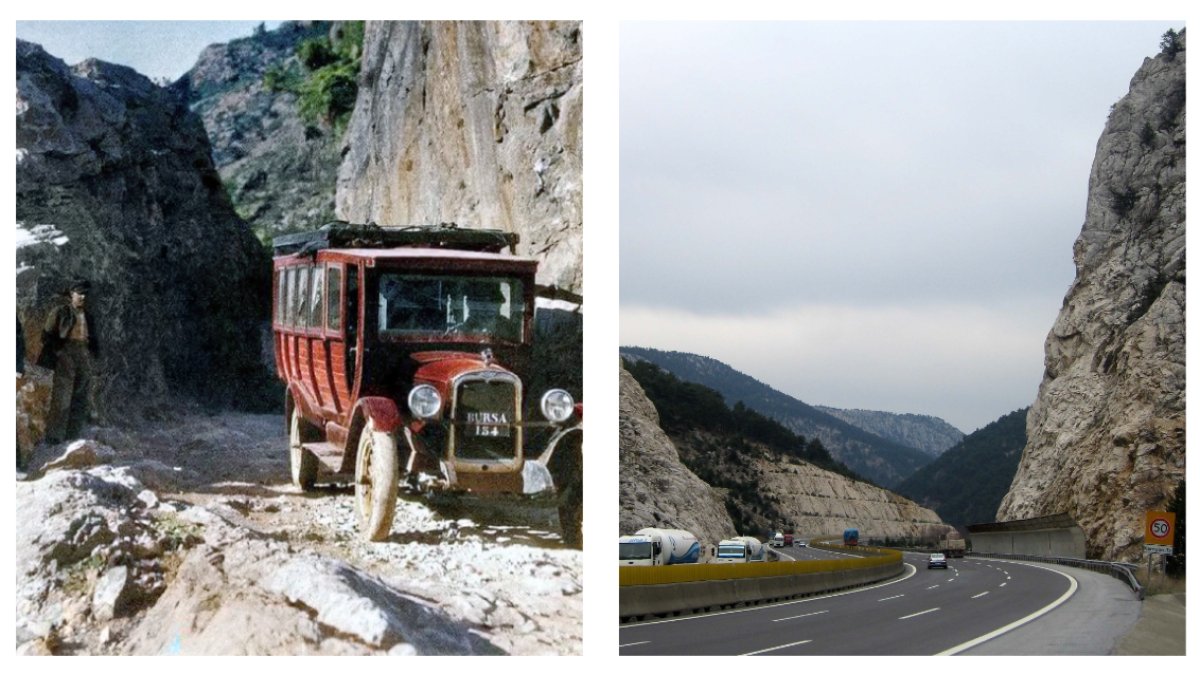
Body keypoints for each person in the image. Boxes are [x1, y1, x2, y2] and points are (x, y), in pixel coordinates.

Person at [37, 279, 99, 444]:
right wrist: (59, 351)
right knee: (62, 397)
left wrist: (93, 355)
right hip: (66, 352)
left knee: (80, 396)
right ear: (72, 294)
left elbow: (93, 339)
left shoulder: (89, 315)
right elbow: (46, 336)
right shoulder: (60, 311)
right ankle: (54, 438)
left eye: (85, 294)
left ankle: (73, 436)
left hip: (83, 353)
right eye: (79, 293)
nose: (83, 297)